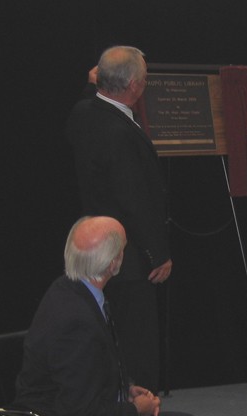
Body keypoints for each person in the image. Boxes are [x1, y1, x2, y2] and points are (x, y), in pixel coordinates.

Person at [9, 216, 205, 416]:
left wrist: (126, 389)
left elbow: (88, 373)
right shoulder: (75, 320)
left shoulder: (73, 290)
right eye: (124, 248)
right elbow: (81, 414)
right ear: (113, 262)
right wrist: (134, 410)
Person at [66, 46, 171, 393]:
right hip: (128, 254)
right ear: (134, 86)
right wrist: (158, 253)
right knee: (137, 340)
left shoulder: (84, 113)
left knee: (112, 334)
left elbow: (90, 99)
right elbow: (135, 199)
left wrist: (90, 84)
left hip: (94, 248)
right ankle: (142, 411)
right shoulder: (120, 132)